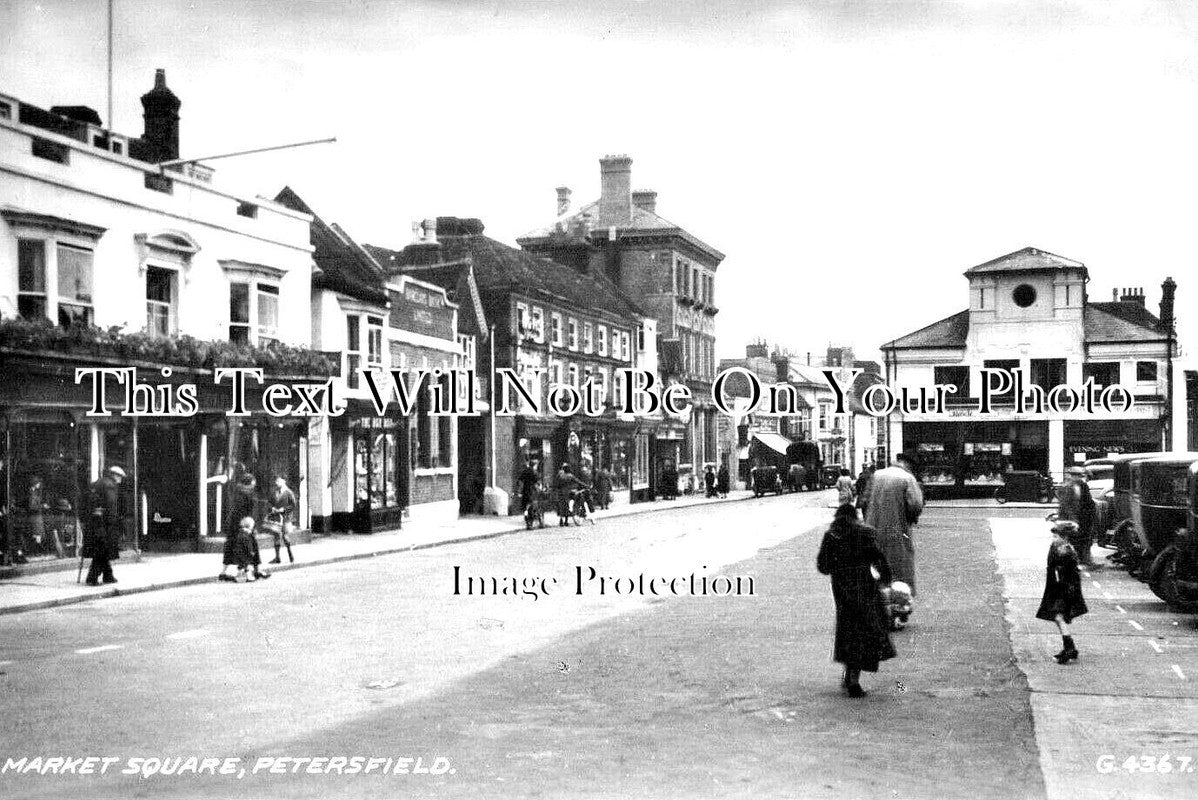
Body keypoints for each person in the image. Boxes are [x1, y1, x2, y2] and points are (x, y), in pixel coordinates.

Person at [816, 503, 897, 697]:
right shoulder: (864, 533)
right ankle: (853, 680)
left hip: (842, 590)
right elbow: (878, 558)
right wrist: (885, 577)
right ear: (855, 517)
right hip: (865, 587)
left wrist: (838, 566)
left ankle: (848, 674)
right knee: (865, 631)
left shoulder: (831, 535)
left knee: (848, 631)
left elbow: (823, 566)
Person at [864, 453, 924, 596]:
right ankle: (897, 601)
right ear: (909, 465)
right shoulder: (907, 478)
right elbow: (916, 505)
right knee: (898, 569)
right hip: (896, 530)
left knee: (874, 566)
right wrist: (910, 517)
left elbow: (864, 500)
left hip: (872, 529)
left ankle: (876, 596)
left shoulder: (877, 475)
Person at [1036, 520, 1088, 663]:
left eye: (1056, 536)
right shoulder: (1060, 548)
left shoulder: (1066, 551)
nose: (1054, 539)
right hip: (1059, 587)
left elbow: (1067, 572)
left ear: (1064, 537)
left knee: (1058, 617)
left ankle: (1070, 648)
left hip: (1063, 589)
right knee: (1058, 617)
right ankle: (1069, 647)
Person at [83, 465, 125, 586]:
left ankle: (108, 575)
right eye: (120, 477)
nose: (120, 479)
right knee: (102, 551)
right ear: (114, 475)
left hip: (94, 523)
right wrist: (115, 523)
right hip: (106, 525)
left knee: (103, 550)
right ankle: (92, 578)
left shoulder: (97, 483)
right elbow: (111, 506)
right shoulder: (110, 486)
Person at [1057, 467, 1097, 566]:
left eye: (1079, 476)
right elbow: (1065, 505)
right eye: (1075, 475)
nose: (1078, 478)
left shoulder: (1083, 486)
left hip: (1084, 517)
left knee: (1086, 539)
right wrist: (1073, 518)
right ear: (1071, 476)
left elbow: (1088, 501)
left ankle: (1085, 559)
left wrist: (1091, 514)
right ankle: (1076, 560)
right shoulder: (1067, 487)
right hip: (1072, 518)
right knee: (1073, 539)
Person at [219, 516, 261, 583]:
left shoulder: (241, 533)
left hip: (239, 553)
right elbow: (248, 545)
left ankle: (241, 576)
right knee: (246, 565)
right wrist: (251, 552)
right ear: (250, 526)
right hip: (244, 554)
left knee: (243, 566)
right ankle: (247, 577)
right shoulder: (246, 534)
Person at [266, 476, 297, 564]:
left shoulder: (289, 492)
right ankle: (277, 557)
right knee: (276, 536)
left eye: (279, 481)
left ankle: (291, 555)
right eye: (276, 481)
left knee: (285, 536)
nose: (277, 483)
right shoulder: (274, 492)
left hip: (286, 518)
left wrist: (284, 509)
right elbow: (269, 502)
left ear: (284, 481)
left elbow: (293, 505)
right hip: (276, 517)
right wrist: (272, 508)